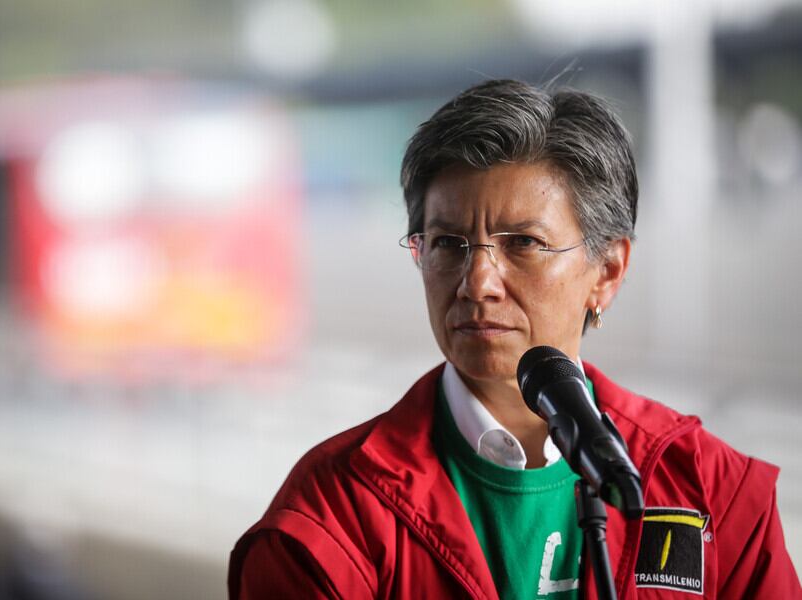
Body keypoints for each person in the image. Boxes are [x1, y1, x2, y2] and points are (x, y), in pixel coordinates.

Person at [228, 79, 800, 599]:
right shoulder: (331, 518)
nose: (477, 283)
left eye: (523, 243)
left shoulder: (713, 491)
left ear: (607, 271)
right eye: (448, 243)